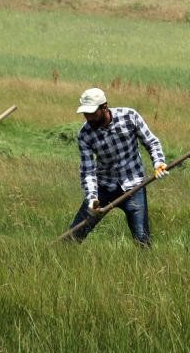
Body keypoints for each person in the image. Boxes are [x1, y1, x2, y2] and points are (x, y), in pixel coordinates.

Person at [65, 88, 168, 246]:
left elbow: (151, 143)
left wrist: (159, 163)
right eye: (85, 113)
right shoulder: (85, 134)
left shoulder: (129, 116)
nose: (88, 118)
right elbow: (88, 171)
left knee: (142, 238)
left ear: (104, 107)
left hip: (134, 185)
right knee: (75, 235)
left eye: (92, 113)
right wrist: (92, 198)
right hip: (103, 187)